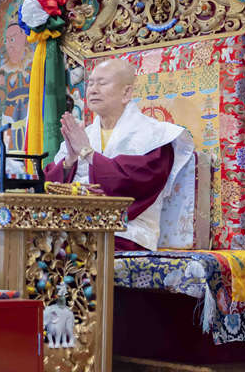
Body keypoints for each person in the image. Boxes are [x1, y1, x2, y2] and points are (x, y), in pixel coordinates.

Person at [43, 57, 194, 251]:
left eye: (102, 83)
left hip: (128, 232)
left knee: (60, 249)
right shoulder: (84, 135)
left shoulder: (155, 136)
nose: (93, 90)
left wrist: (88, 153)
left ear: (126, 93)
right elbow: (49, 187)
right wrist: (69, 162)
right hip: (74, 227)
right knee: (34, 243)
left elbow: (131, 186)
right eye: (90, 83)